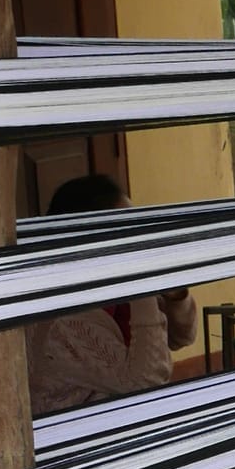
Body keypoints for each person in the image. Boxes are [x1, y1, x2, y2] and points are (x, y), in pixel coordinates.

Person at [25, 172, 198, 416]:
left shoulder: (107, 288)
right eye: (127, 232)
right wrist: (141, 277)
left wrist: (175, 295)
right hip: (77, 445)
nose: (138, 238)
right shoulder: (62, 319)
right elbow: (146, 381)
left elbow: (182, 337)